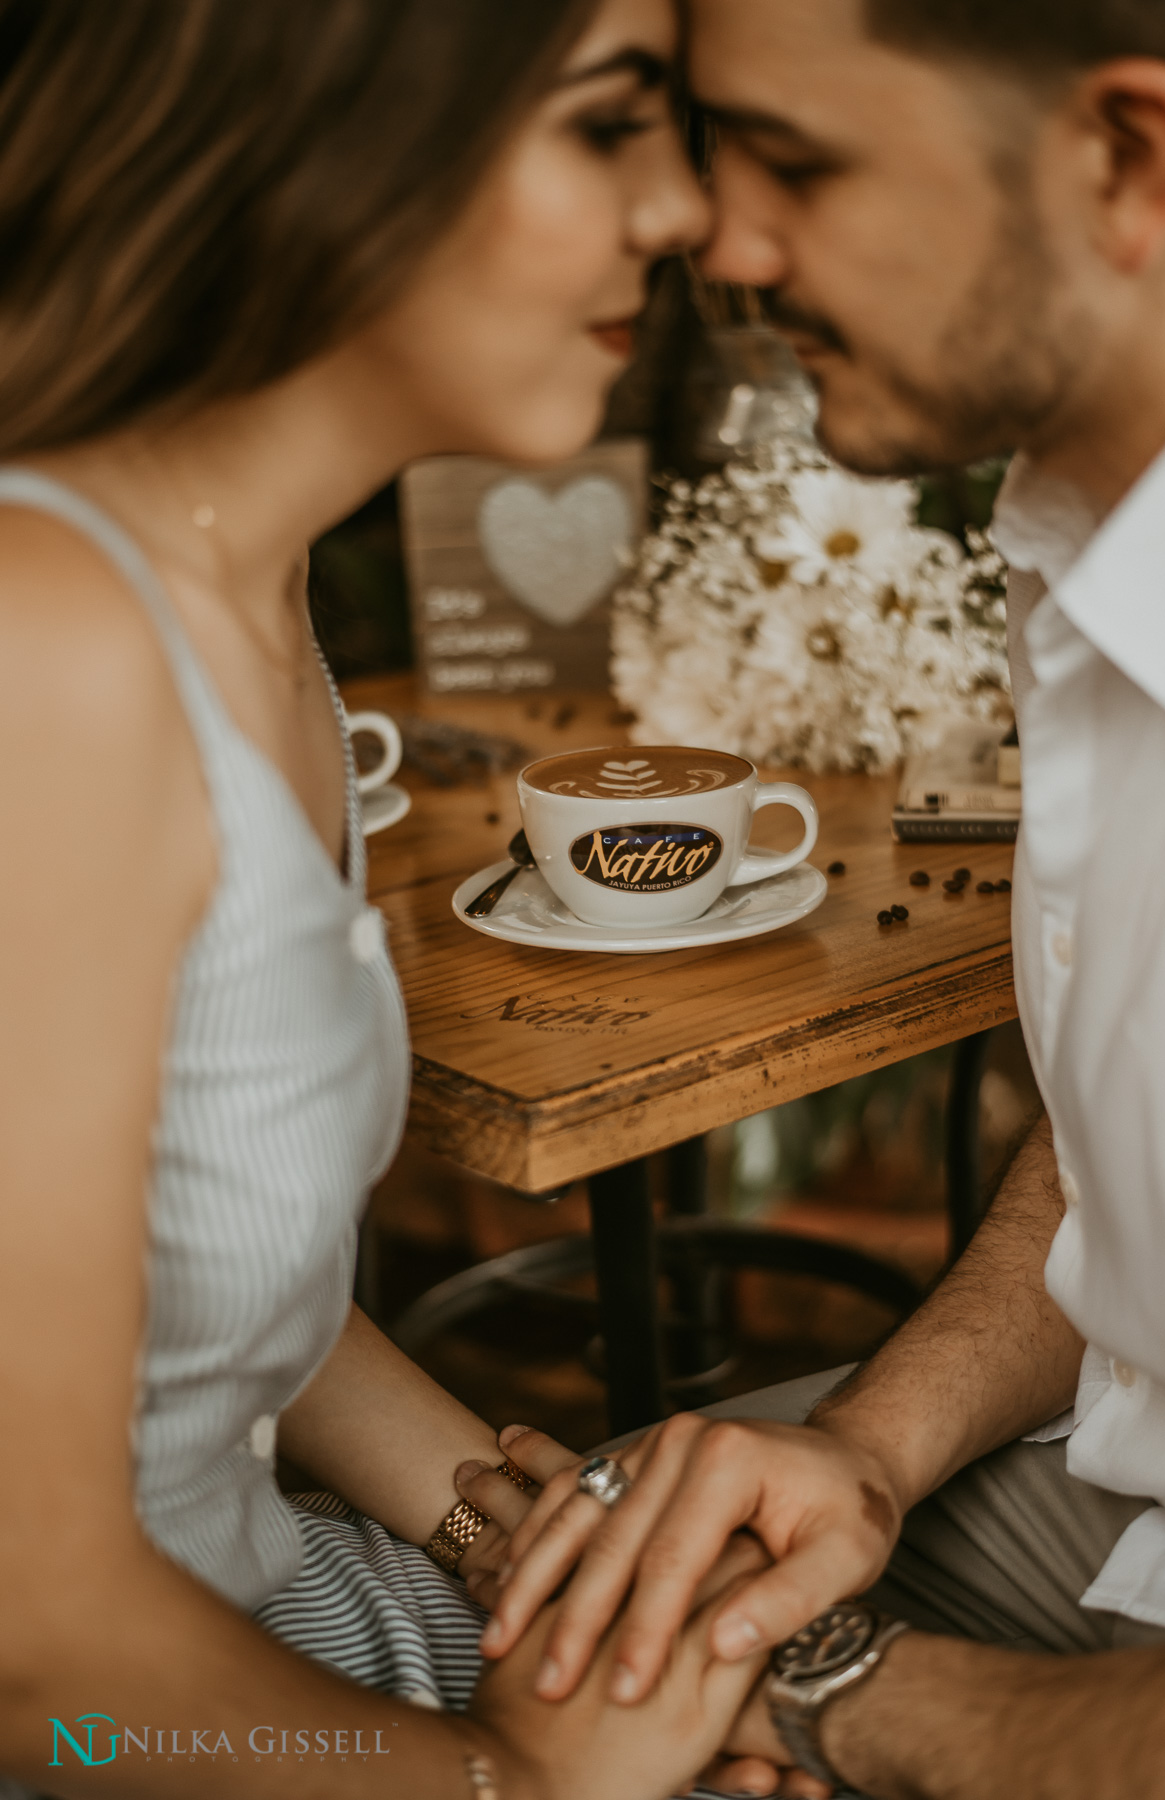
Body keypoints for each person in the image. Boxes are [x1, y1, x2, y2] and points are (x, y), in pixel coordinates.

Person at [0, 3, 772, 1797]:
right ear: (335, 127)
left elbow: (181, 1260)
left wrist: (520, 1550)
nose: (683, 213)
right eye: (606, 125)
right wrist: (517, 1784)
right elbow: (38, 1655)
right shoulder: (50, 651)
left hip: (251, 1626)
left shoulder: (249, 610)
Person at [470, 1, 1165, 1794]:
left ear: (1124, 161)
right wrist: (872, 1446)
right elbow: (1141, 1144)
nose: (710, 242)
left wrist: (828, 1693)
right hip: (1128, 1491)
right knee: (589, 1579)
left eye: (796, 161)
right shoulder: (1082, 549)